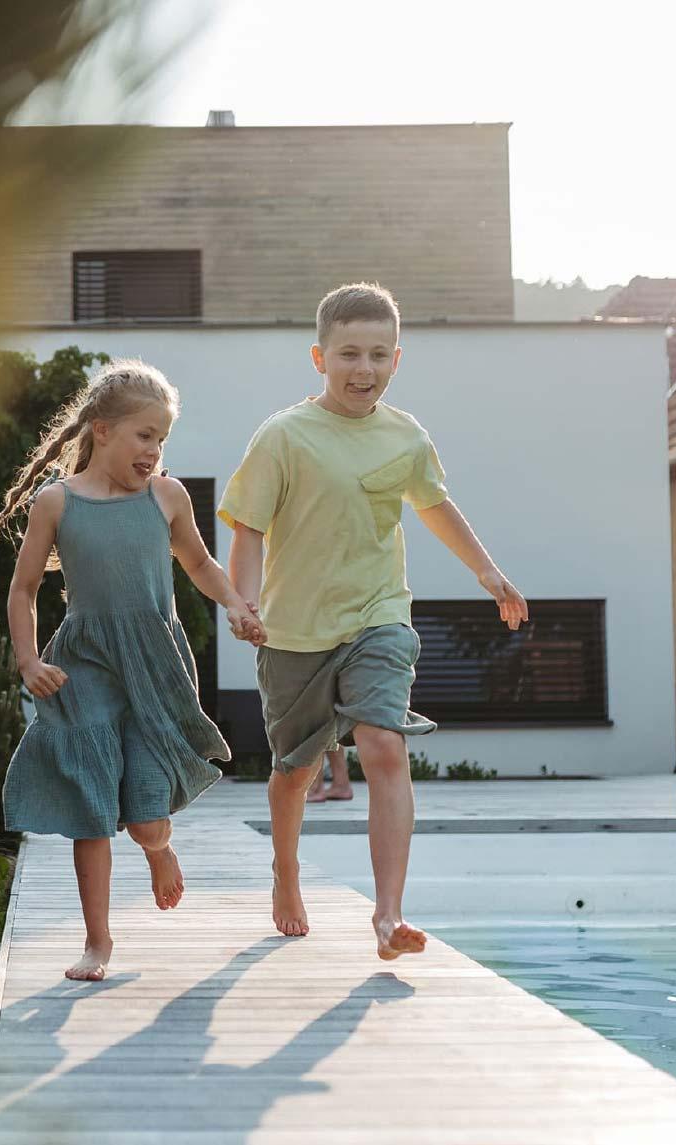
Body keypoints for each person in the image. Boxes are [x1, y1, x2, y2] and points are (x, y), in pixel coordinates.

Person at [220, 283, 527, 959]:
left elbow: (434, 505)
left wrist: (486, 571)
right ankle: (286, 872)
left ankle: (388, 916)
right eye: (350, 354)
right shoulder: (282, 436)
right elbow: (249, 528)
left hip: (378, 614)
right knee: (295, 771)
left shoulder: (406, 436)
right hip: (294, 630)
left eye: (379, 355)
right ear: (319, 358)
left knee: (385, 744)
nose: (365, 369)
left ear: (397, 359)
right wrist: (242, 601)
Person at [0, 359, 266, 982]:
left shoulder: (167, 496)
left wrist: (236, 605)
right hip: (83, 667)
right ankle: (97, 942)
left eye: (162, 438)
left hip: (155, 666)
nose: (155, 450)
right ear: (103, 430)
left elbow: (200, 564)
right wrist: (28, 660)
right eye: (145, 435)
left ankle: (159, 849)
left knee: (144, 817)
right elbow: (23, 590)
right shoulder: (57, 502)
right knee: (91, 805)